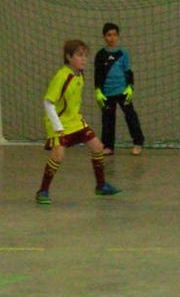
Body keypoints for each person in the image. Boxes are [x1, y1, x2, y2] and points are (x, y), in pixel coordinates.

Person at [36, 38, 120, 204]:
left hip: (75, 120)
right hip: (57, 122)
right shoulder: (62, 76)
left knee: (97, 146)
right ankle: (43, 191)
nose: (84, 59)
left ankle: (101, 186)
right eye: (79, 55)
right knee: (58, 155)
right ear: (68, 57)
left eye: (85, 55)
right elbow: (48, 102)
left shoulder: (79, 74)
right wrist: (58, 127)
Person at [94, 22, 145, 156]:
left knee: (131, 116)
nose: (112, 38)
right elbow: (97, 75)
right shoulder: (100, 55)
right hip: (107, 93)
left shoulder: (123, 54)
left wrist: (130, 87)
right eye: (109, 35)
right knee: (108, 119)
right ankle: (108, 146)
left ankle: (138, 143)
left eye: (115, 35)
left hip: (122, 91)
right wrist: (98, 90)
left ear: (118, 36)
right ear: (104, 37)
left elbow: (128, 72)